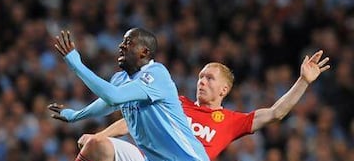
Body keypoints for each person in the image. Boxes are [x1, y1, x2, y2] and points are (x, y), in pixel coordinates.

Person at [49, 50, 330, 160]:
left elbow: (276, 113)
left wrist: (303, 81)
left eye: (209, 78)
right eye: (200, 76)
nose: (201, 81)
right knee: (96, 147)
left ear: (224, 89)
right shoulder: (176, 104)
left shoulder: (232, 121)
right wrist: (100, 135)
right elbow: (130, 120)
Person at [52, 29, 210, 161]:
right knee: (93, 143)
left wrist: (76, 65)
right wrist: (75, 116)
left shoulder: (157, 74)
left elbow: (113, 96)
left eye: (128, 42)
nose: (121, 46)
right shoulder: (120, 79)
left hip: (188, 159)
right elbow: (106, 104)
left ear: (144, 52)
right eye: (122, 41)